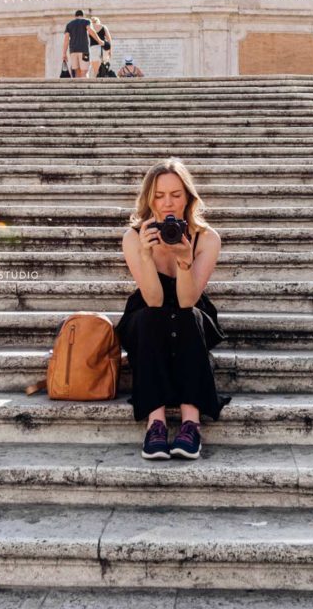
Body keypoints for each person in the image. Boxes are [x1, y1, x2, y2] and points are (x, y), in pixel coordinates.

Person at [115, 159, 230, 460]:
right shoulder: (132, 237)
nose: (167, 203)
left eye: (176, 195)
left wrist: (184, 260)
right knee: (153, 316)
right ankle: (156, 424)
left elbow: (187, 300)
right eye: (159, 195)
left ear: (189, 197)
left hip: (188, 305)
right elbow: (153, 298)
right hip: (147, 311)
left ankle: (191, 423)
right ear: (148, 198)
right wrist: (145, 252)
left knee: (187, 315)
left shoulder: (207, 238)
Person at [62, 9, 103, 79]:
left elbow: (66, 40)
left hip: (73, 51)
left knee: (77, 72)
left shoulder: (69, 24)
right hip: (84, 50)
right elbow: (90, 30)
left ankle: (78, 89)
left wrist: (64, 53)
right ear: (83, 16)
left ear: (75, 16)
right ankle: (84, 89)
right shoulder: (86, 21)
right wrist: (99, 40)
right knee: (84, 72)